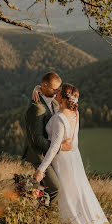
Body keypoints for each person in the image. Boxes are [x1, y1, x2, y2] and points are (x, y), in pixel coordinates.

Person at [33, 83, 112, 224]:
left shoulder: (59, 119)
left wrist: (41, 169)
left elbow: (54, 148)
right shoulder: (74, 113)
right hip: (74, 159)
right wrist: (38, 88)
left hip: (61, 161)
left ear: (64, 99)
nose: (56, 93)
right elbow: (72, 142)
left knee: (67, 196)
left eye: (59, 93)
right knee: (78, 193)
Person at [23, 72, 72, 207]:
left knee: (44, 189)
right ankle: (43, 219)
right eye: (54, 89)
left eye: (58, 89)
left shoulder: (48, 100)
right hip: (39, 154)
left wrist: (37, 87)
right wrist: (59, 148)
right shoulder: (38, 108)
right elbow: (37, 139)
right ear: (45, 86)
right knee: (55, 188)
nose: (57, 92)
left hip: (48, 153)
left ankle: (34, 210)